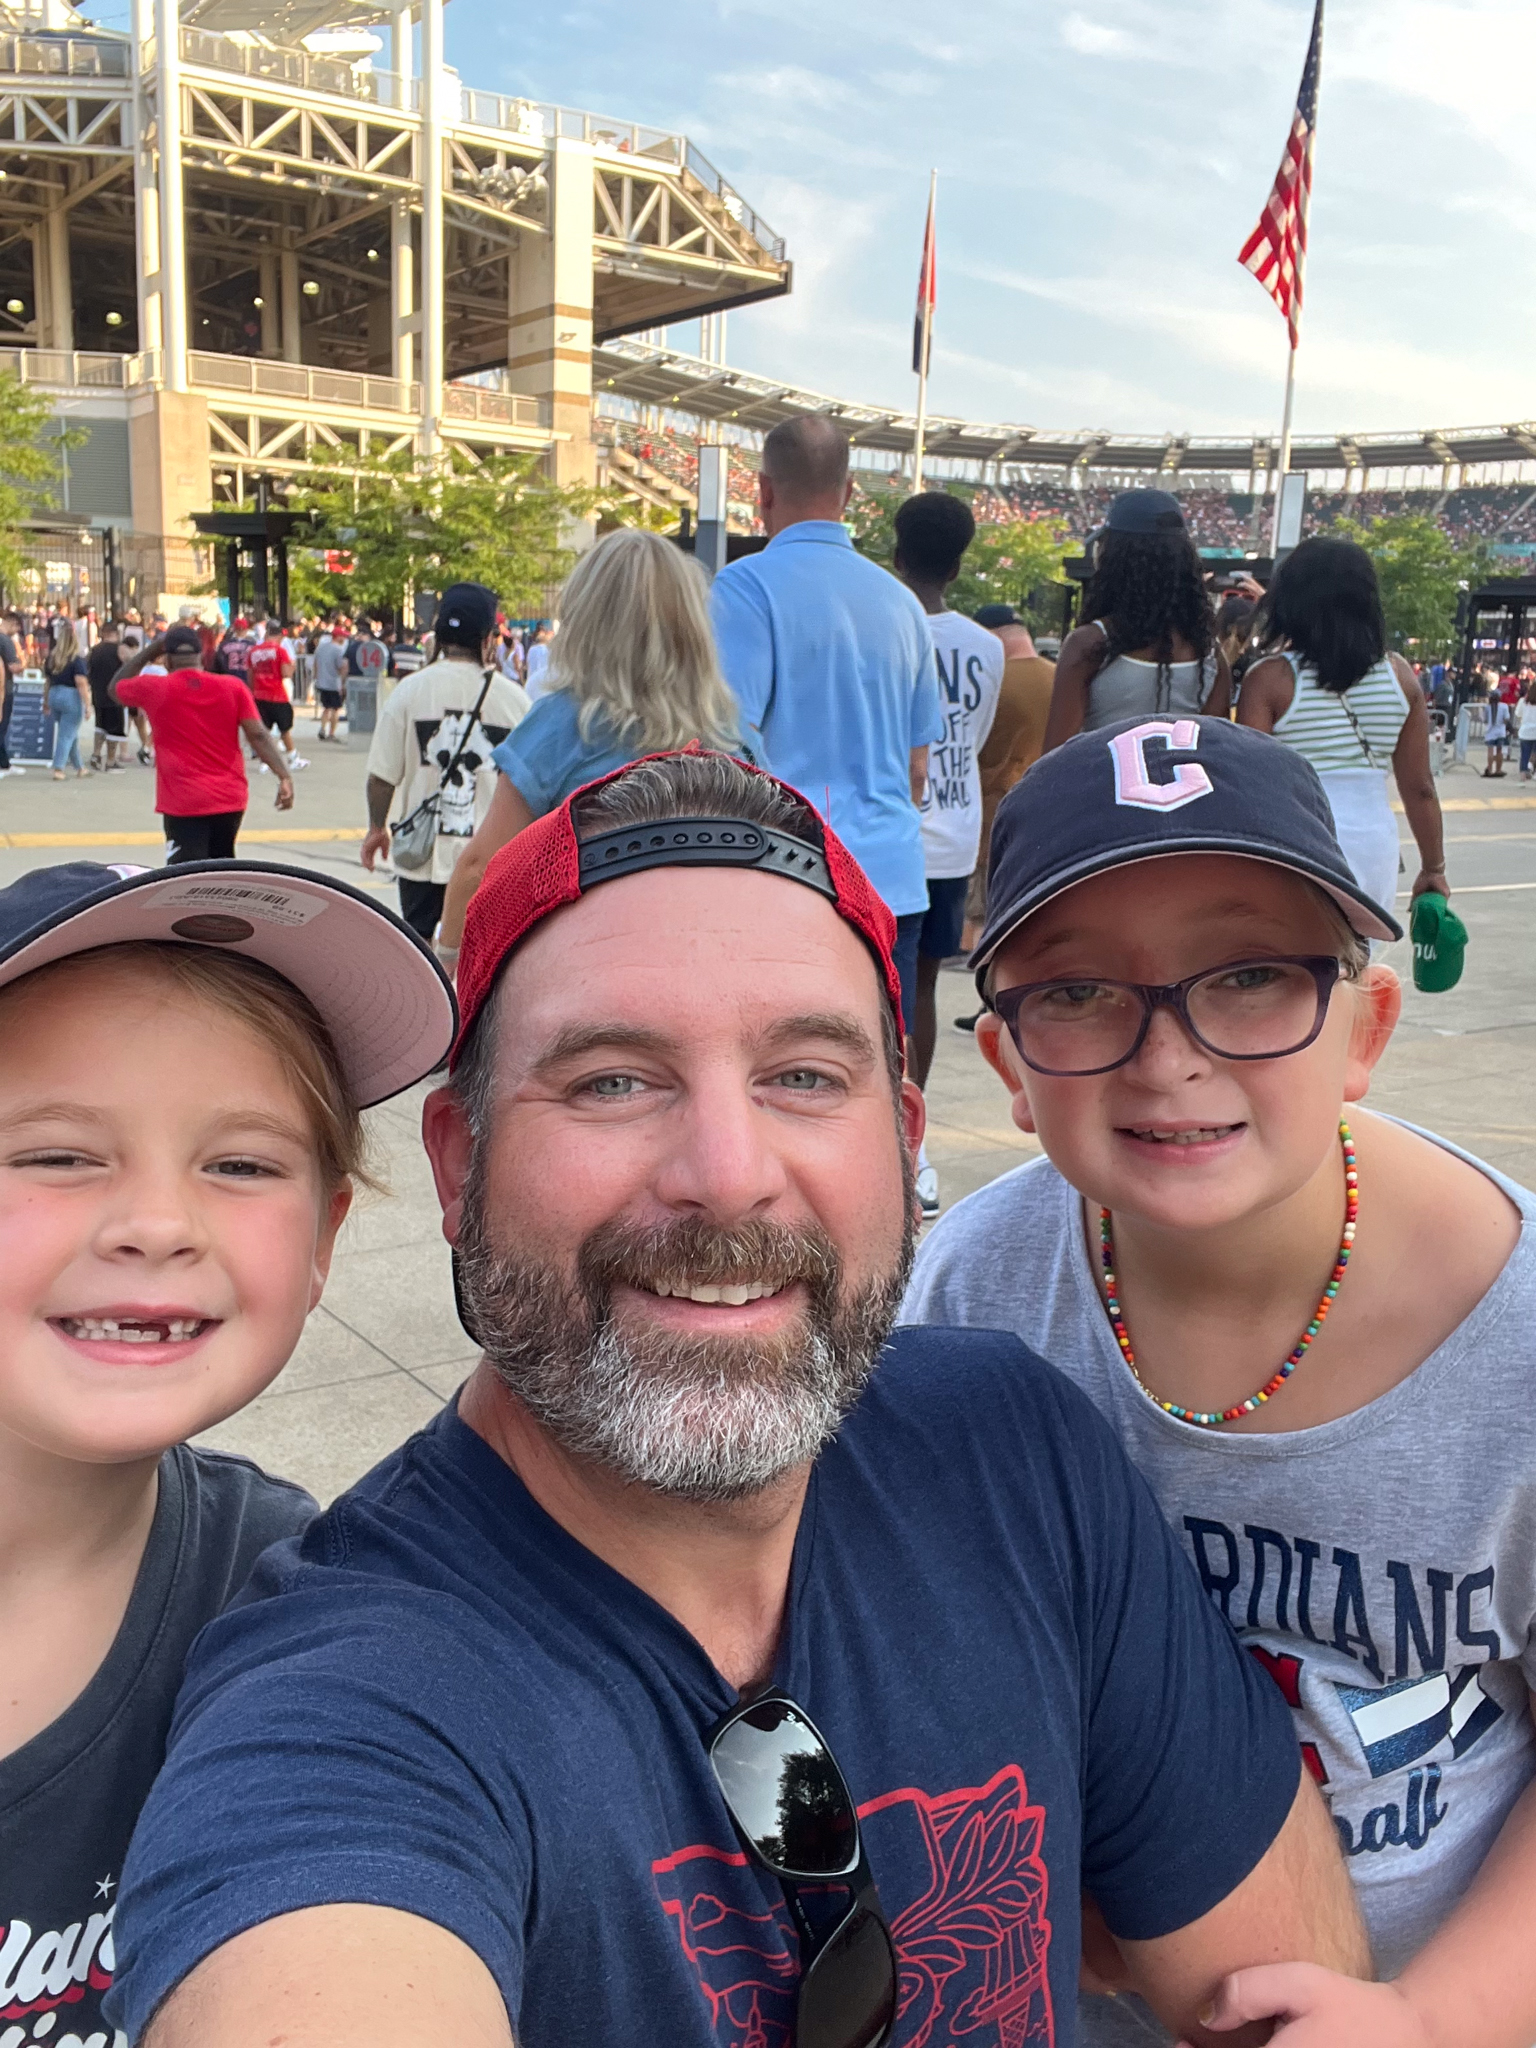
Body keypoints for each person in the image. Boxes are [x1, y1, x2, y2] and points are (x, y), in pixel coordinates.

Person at [110, 746, 1364, 2048]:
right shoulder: (353, 1714)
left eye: (805, 1077)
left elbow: (1286, 1999)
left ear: (905, 1139)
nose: (726, 1171)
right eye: (612, 1079)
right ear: (457, 1159)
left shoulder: (1017, 1462)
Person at [906, 714, 1536, 2047]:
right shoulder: (975, 1292)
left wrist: (1432, 2017)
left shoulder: (1514, 1333)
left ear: (1362, 1030)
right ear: (1009, 1064)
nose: (1167, 1053)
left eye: (1248, 974)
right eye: (1075, 991)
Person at [0, 855, 455, 2046]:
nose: (157, 1223)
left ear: (324, 1236)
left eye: (243, 1164)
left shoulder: (286, 1600)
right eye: (55, 1152)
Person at [710, 415, 943, 1026]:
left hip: (789, 871)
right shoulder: (903, 604)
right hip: (892, 872)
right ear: (846, 495)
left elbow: (728, 748)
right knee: (886, 1059)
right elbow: (919, 766)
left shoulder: (744, 588)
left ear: (761, 491)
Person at [435, 529, 740, 971]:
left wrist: (448, 957)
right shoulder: (731, 733)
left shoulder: (563, 724)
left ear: (586, 620)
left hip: (590, 965)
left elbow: (481, 866)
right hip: (706, 959)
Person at [892, 492, 1003, 1219]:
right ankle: (912, 1136)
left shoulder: (882, 625)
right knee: (924, 987)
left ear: (895, 552)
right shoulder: (987, 646)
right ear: (961, 563)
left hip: (889, 828)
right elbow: (980, 736)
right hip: (955, 828)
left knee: (875, 986)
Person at [1237, 537, 1447, 913]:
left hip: (1298, 845)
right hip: (1373, 845)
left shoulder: (1269, 680)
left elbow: (1253, 785)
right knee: (1362, 966)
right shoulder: (1400, 677)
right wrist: (1434, 869)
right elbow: (1420, 789)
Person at [362, 582, 528, 942]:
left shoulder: (408, 691)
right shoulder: (515, 701)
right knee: (480, 951)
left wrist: (377, 827)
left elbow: (381, 777)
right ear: (488, 639)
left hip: (422, 854)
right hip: (488, 857)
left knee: (419, 948)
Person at [1042, 489, 1231, 752]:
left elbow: (1055, 756)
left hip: (1101, 790)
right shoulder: (1209, 654)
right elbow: (1215, 751)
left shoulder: (1090, 643)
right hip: (1184, 792)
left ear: (1114, 556)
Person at [952, 604, 1056, 1036]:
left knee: (987, 915)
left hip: (993, 813)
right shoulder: (1057, 677)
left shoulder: (991, 682)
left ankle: (991, 1004)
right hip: (1049, 812)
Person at [112, 624, 294, 861]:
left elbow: (114, 689)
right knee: (221, 868)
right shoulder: (233, 687)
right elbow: (258, 734)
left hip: (183, 800)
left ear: (166, 660)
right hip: (229, 799)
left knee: (186, 877)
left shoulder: (155, 688)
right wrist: (283, 775)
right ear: (201, 657)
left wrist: (149, 651)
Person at [247, 618, 309, 774]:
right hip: (277, 695)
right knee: (285, 730)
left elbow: (250, 676)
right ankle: (293, 758)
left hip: (260, 695)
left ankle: (264, 762)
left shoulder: (253, 651)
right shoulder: (280, 651)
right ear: (279, 637)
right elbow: (285, 673)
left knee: (264, 731)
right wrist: (292, 667)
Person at [44, 619, 90, 781]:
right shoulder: (76, 659)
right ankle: (58, 768)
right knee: (66, 735)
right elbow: (81, 683)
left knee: (69, 732)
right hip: (70, 695)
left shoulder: (52, 659)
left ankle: (80, 767)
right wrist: (88, 705)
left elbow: (47, 681)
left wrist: (45, 702)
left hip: (54, 695)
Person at [87, 616, 128, 771]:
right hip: (115, 695)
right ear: (116, 634)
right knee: (114, 731)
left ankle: (96, 754)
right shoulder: (119, 649)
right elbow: (130, 665)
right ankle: (111, 761)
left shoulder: (95, 650)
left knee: (100, 726)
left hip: (98, 694)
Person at [312, 622, 349, 742]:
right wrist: (343, 682)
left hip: (322, 682)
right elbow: (341, 667)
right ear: (338, 637)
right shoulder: (338, 650)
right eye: (343, 636)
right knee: (335, 709)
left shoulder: (321, 647)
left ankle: (322, 728)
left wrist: (316, 677)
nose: (344, 638)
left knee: (326, 708)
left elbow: (316, 664)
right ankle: (331, 733)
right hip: (334, 683)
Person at [0, 603, 20, 779]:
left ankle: (4, 762)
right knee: (2, 726)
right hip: (4, 689)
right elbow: (14, 667)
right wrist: (23, 664)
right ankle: (3, 763)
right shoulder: (6, 641)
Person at [1485, 685, 1512, 778]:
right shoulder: (1504, 706)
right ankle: (1498, 769)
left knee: (1490, 750)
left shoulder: (1487, 707)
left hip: (1490, 732)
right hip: (1500, 731)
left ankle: (1489, 768)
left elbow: (1484, 719)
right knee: (1499, 750)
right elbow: (1506, 719)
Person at [522, 621, 553, 697]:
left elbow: (528, 664)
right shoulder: (548, 650)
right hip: (544, 685)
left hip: (531, 683)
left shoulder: (531, 649)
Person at [1521, 679, 1536, 782]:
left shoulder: (1523, 701)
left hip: (1525, 730)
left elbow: (1518, 713)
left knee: (1524, 755)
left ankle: (1522, 778)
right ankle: (1533, 771)